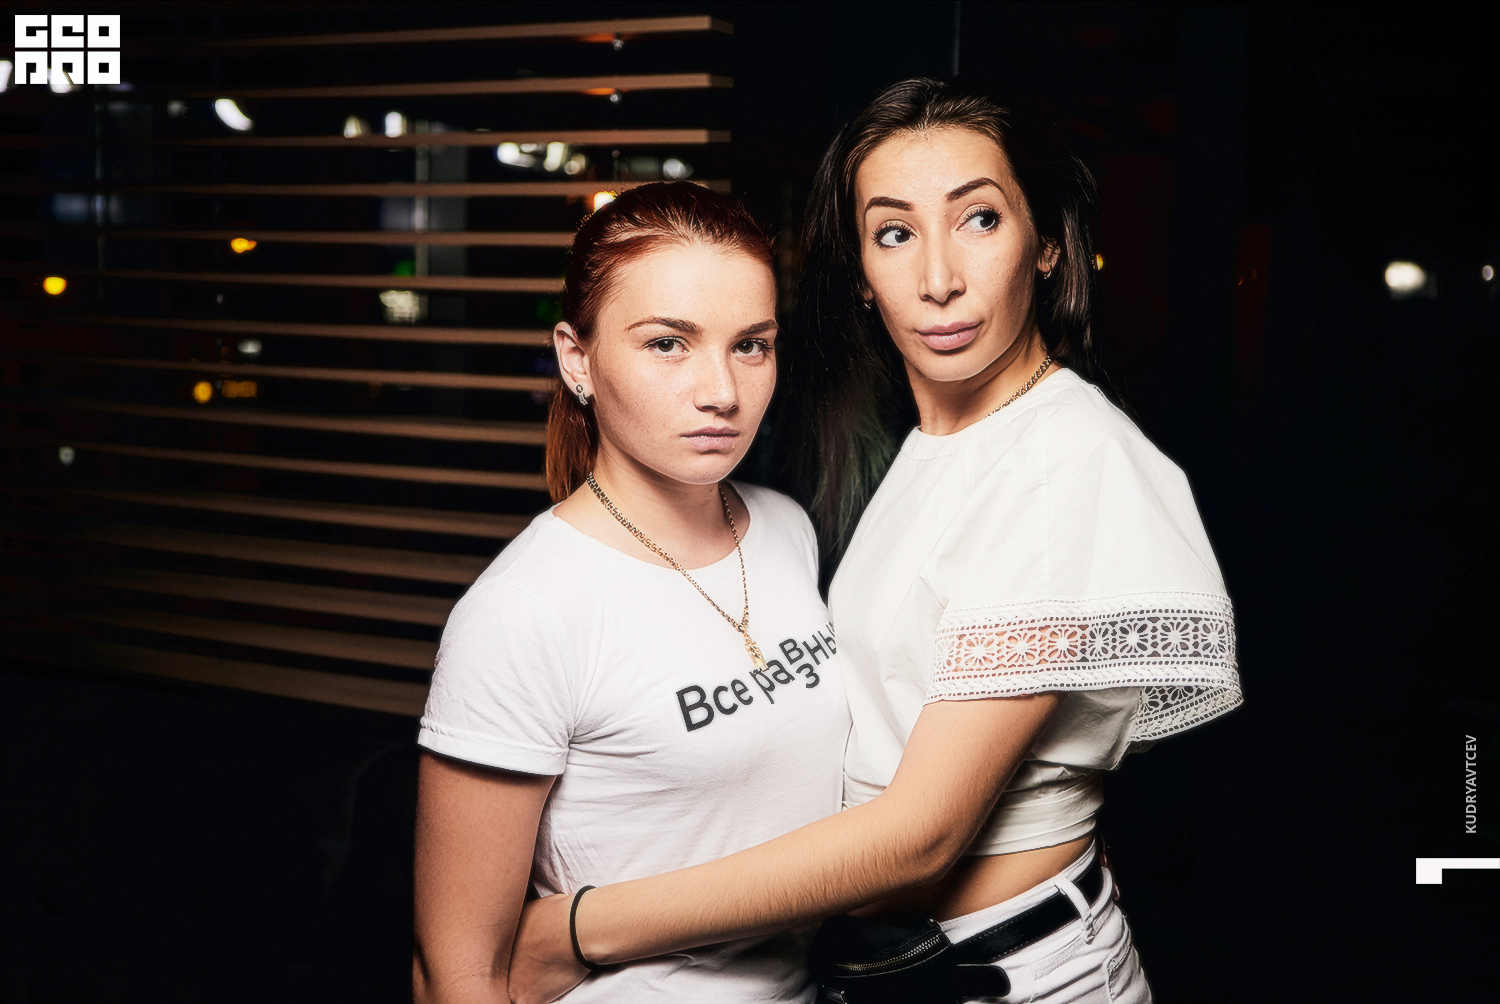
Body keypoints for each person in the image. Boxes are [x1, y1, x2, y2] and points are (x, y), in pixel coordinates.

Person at [507, 79, 1242, 1004]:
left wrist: (579, 928)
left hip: (1015, 973)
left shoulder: (1064, 457)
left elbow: (921, 838)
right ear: (860, 270)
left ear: (1048, 243)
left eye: (979, 219)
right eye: (894, 232)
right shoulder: (937, 443)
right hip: (906, 970)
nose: (938, 278)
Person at [411, 182, 850, 1004]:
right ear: (577, 359)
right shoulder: (523, 611)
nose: (722, 390)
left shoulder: (786, 528)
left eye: (751, 345)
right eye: (668, 344)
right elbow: (456, 974)